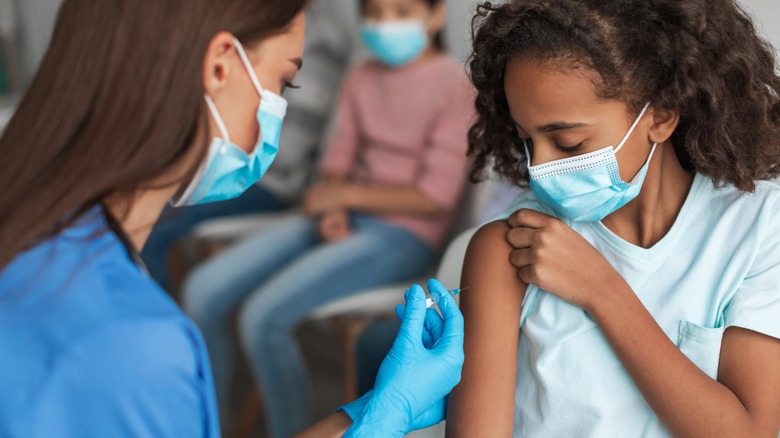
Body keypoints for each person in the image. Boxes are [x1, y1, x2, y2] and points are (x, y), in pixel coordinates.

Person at [0, 1, 464, 436]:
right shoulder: (135, 347)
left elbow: (433, 193)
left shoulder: (41, 239)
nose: (277, 113)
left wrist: (369, 416)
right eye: (284, 83)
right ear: (220, 66)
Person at [447, 0, 780, 436]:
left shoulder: (757, 228)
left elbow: (750, 432)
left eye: (567, 143)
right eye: (527, 139)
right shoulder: (510, 249)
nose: (539, 168)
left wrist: (602, 291)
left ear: (659, 116)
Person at [181, 0, 474, 435]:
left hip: (401, 235)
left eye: (400, 12)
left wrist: (342, 195)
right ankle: (210, 425)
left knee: (262, 318)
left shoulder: (455, 88)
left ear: (434, 15)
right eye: (373, 14)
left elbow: (432, 196)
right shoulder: (361, 78)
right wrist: (335, 205)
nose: (383, 25)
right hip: (337, 216)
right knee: (201, 291)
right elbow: (337, 158)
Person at [140, 0, 361, 291]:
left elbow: (285, 153)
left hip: (270, 183)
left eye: (286, 83)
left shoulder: (320, 39)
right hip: (228, 157)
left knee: (157, 228)